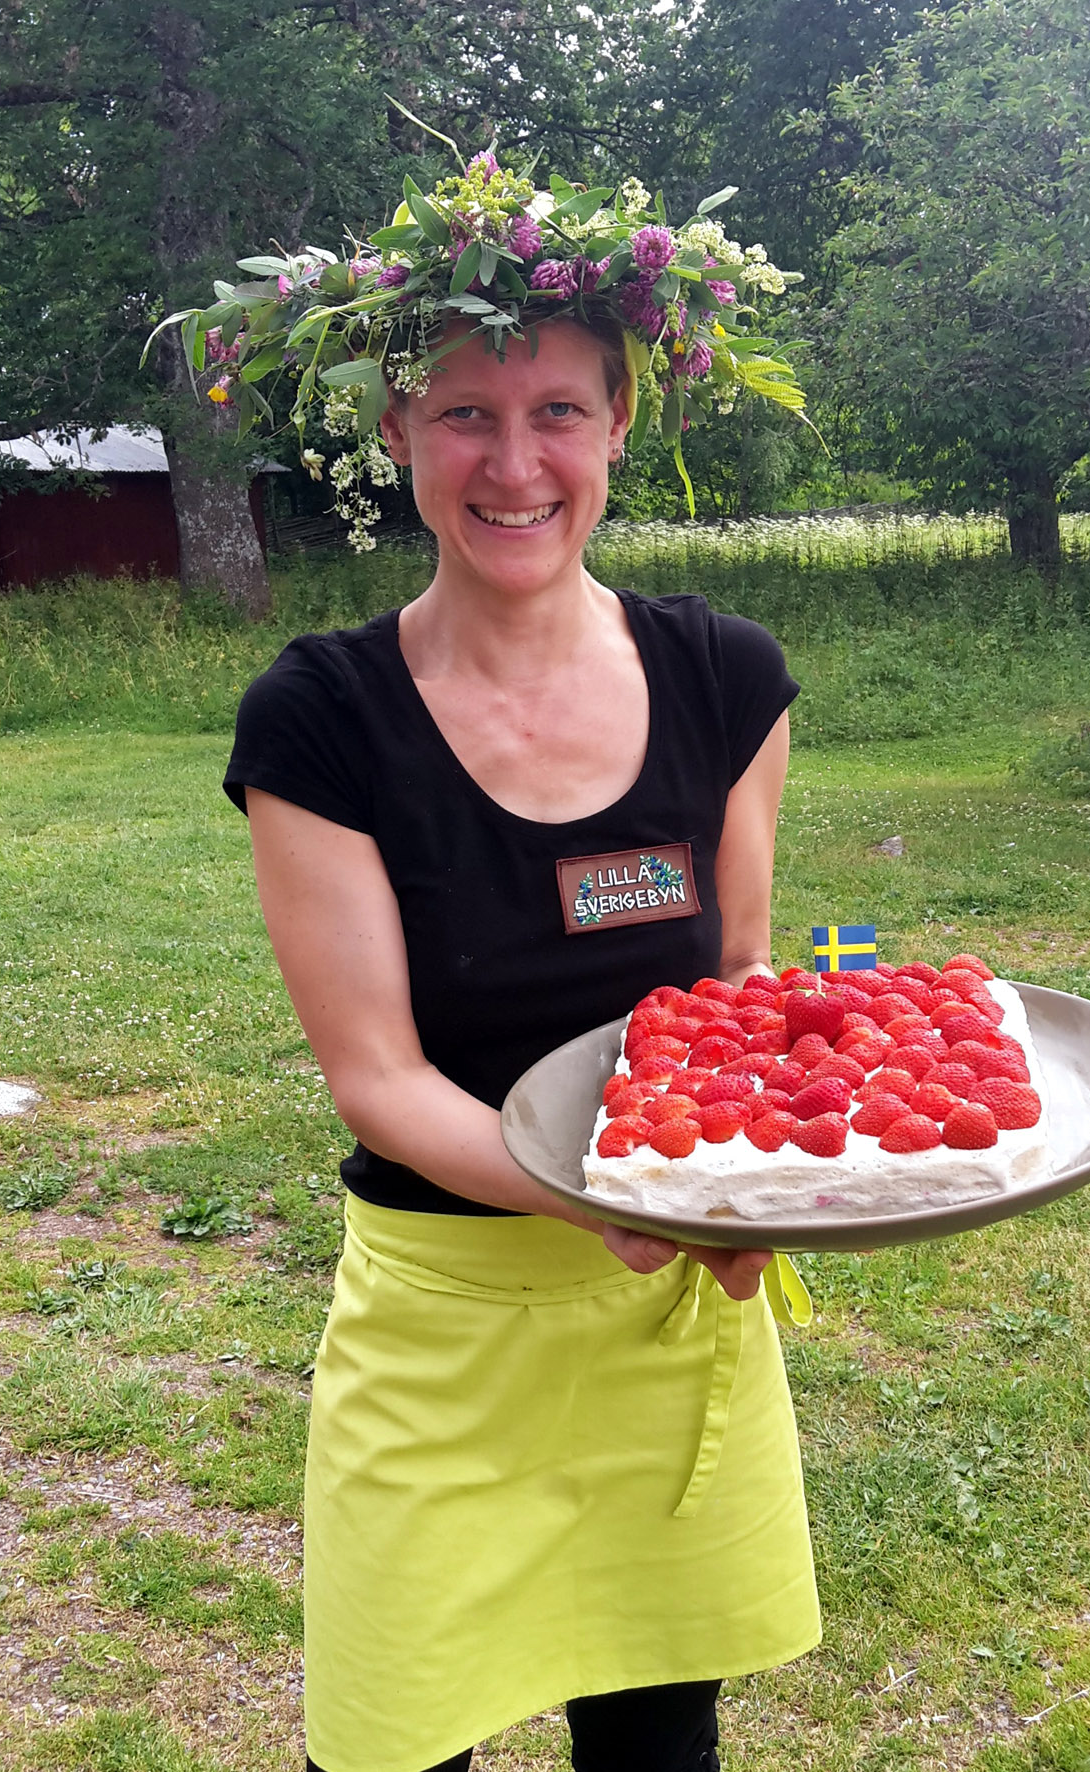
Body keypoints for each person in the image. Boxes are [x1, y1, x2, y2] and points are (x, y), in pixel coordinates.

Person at [212, 155, 820, 1772]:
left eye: (556, 409)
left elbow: (735, 988)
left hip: (665, 1321)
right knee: (404, 1737)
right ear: (396, 436)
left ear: (621, 425)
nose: (513, 460)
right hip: (447, 1324)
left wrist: (749, 1189)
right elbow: (379, 1078)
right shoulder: (321, 718)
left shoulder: (722, 678)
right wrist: (613, 1199)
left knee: (659, 1740)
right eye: (464, 414)